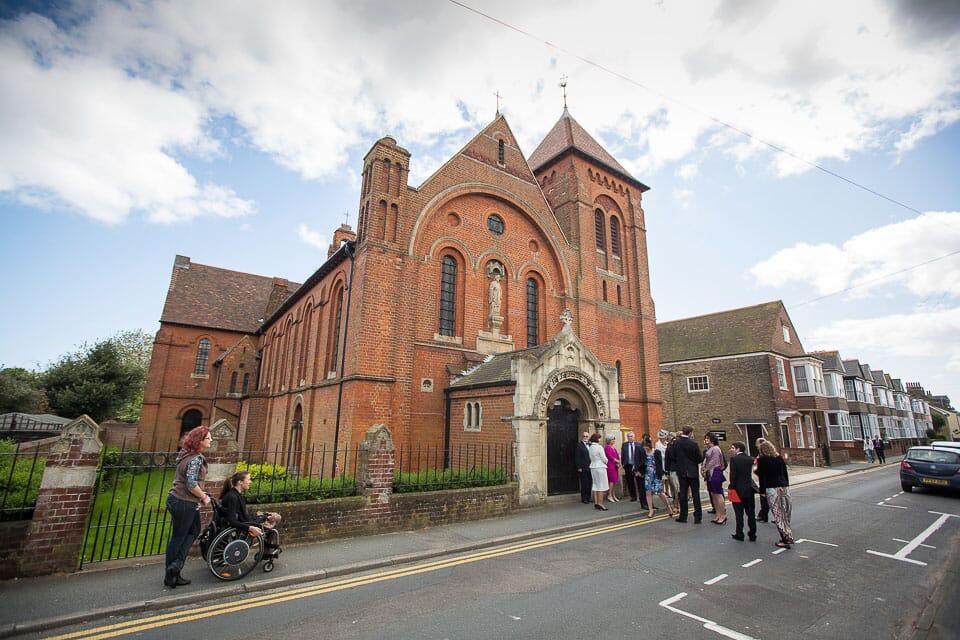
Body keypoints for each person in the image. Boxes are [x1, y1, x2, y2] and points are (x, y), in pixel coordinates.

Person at [164, 426, 212, 588]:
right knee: (180, 536)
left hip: (177, 499)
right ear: (199, 441)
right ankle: (174, 569)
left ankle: (173, 570)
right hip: (184, 501)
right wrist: (204, 496)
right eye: (208, 438)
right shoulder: (195, 459)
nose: (211, 440)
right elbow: (191, 483)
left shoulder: (185, 454)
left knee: (191, 531)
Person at [219, 471, 283, 544]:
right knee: (276, 518)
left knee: (270, 516)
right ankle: (268, 551)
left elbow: (240, 515)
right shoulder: (233, 497)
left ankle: (268, 549)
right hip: (246, 524)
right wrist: (250, 528)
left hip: (245, 520)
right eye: (248, 479)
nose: (250, 482)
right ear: (240, 482)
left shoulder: (234, 494)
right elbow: (232, 521)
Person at [756, 440, 794, 549]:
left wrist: (762, 491)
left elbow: (762, 477)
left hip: (771, 488)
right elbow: (785, 473)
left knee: (778, 514)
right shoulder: (778, 458)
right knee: (785, 512)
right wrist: (786, 485)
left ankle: (785, 539)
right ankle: (788, 536)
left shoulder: (762, 460)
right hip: (783, 487)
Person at [727, 441, 757, 542]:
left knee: (739, 514)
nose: (731, 450)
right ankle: (752, 534)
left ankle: (739, 533)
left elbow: (733, 476)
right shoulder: (750, 459)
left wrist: (731, 488)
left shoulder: (734, 459)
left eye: (732, 448)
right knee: (751, 513)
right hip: (749, 489)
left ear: (738, 449)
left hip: (737, 490)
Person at [673, 426, 703, 523]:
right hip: (692, 472)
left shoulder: (676, 443)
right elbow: (699, 458)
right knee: (695, 494)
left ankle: (683, 516)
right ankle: (698, 517)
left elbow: (673, 456)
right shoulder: (693, 444)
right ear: (690, 433)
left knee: (683, 494)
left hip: (681, 472)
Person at [641, 439, 674, 518]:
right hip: (647, 475)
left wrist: (660, 475)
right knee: (648, 492)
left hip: (656, 474)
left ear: (649, 445)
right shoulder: (643, 453)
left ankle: (668, 507)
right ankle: (651, 510)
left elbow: (659, 464)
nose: (645, 448)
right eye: (644, 447)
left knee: (659, 492)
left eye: (646, 447)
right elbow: (642, 463)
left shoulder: (656, 452)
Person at [702, 432, 727, 525]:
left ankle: (723, 516)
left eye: (707, 439)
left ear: (712, 440)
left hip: (715, 472)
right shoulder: (709, 449)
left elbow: (713, 462)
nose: (705, 440)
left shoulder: (716, 449)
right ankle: (718, 515)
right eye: (705, 439)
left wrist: (705, 469)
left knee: (718, 494)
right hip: (710, 473)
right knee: (713, 494)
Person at [588, 432, 610, 511]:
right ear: (597, 439)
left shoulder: (590, 447)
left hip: (593, 467)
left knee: (595, 485)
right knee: (601, 486)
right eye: (599, 438)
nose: (600, 439)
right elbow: (604, 459)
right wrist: (606, 461)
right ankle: (600, 503)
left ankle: (596, 502)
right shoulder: (599, 447)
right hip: (600, 467)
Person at [621, 431, 642, 502]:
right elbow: (623, 455)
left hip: (636, 465)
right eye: (628, 436)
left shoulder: (638, 444)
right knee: (630, 481)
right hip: (628, 465)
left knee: (639, 481)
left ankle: (641, 496)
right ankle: (633, 496)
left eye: (631, 436)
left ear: (634, 437)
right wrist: (623, 464)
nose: (629, 438)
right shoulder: (624, 445)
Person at [754, 437, 770, 522]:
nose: (756, 446)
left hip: (766, 482)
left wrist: (756, 471)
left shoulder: (763, 458)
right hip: (770, 482)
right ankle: (764, 515)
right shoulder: (773, 455)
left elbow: (762, 472)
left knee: (765, 500)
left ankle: (763, 515)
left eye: (757, 444)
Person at [574, 431, 592, 504]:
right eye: (584, 436)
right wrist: (579, 467)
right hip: (583, 467)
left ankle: (588, 497)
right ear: (582, 437)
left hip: (590, 467)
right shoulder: (579, 445)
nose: (585, 437)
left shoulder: (590, 445)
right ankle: (584, 498)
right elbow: (577, 457)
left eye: (586, 436)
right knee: (584, 484)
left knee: (589, 483)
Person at [665, 432, 681, 514]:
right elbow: (667, 459)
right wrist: (666, 471)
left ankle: (677, 506)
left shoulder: (676, 445)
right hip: (671, 469)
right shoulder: (669, 446)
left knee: (677, 488)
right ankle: (676, 505)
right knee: (674, 489)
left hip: (676, 470)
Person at [603, 434, 621, 501]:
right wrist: (616, 461)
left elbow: (617, 455)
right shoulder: (607, 447)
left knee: (614, 481)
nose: (614, 441)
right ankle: (609, 495)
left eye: (614, 439)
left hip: (615, 466)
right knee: (611, 481)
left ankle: (613, 495)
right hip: (610, 466)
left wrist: (618, 462)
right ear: (609, 440)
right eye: (612, 439)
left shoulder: (614, 448)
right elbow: (609, 456)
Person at [656, 429, 672, 500]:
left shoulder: (667, 443)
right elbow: (658, 454)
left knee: (667, 478)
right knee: (662, 478)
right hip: (661, 462)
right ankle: (662, 491)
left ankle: (668, 491)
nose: (664, 438)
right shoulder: (657, 444)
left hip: (667, 462)